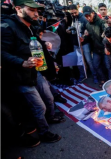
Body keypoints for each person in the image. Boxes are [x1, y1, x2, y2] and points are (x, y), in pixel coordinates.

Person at [1, 0, 64, 143]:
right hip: (20, 76)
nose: (36, 14)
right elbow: (2, 53)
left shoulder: (31, 25)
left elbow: (35, 44)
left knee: (49, 98)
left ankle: (50, 117)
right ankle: (44, 132)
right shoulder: (7, 27)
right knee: (39, 106)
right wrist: (22, 63)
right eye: (31, 10)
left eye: (37, 10)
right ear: (18, 9)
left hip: (36, 71)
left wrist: (45, 47)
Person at [82, 6, 111, 87]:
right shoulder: (87, 25)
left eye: (89, 15)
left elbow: (107, 34)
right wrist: (84, 37)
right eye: (86, 16)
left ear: (93, 13)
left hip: (105, 48)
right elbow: (89, 36)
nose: (88, 18)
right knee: (96, 65)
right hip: (96, 50)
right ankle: (103, 79)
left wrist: (107, 47)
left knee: (108, 66)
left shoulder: (101, 22)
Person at [68, 5, 98, 84]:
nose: (74, 14)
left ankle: (95, 76)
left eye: (75, 12)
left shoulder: (83, 18)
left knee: (89, 60)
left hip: (85, 43)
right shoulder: (72, 18)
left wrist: (85, 36)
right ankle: (82, 76)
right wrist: (70, 30)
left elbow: (89, 31)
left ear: (78, 10)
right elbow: (73, 28)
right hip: (76, 43)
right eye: (72, 13)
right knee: (79, 61)